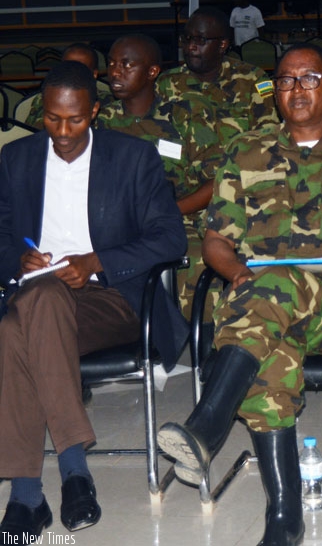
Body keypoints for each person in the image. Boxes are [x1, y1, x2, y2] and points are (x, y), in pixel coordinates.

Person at [157, 43, 322, 546]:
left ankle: (209, 426)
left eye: (309, 79)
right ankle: (285, 518)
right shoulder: (245, 151)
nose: (296, 90)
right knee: (268, 353)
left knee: (266, 296)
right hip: (260, 307)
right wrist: (234, 273)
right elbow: (215, 242)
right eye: (285, 80)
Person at [0, 61, 187, 543]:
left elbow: (169, 239)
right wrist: (18, 257)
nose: (62, 132)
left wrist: (96, 261)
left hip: (111, 296)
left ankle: (32, 490)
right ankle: (62, 478)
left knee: (17, 324)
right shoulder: (16, 158)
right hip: (39, 297)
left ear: (95, 112)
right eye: (51, 119)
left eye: (74, 120)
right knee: (26, 314)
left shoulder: (133, 157)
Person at [97, 34, 223, 320]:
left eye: (127, 64)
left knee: (200, 269)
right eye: (112, 63)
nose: (115, 72)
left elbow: (217, 182)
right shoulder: (102, 121)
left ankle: (205, 351)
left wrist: (168, 212)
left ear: (152, 72)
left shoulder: (184, 116)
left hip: (180, 220)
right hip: (118, 226)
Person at [155, 6, 278, 136]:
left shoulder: (254, 79)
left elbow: (268, 134)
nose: (190, 46)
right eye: (187, 38)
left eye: (200, 40)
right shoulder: (166, 82)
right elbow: (157, 135)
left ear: (222, 45)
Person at [25, 43, 114, 130]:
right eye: (67, 67)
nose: (73, 73)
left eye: (80, 69)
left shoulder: (109, 102)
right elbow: (29, 133)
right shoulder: (43, 99)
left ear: (94, 74)